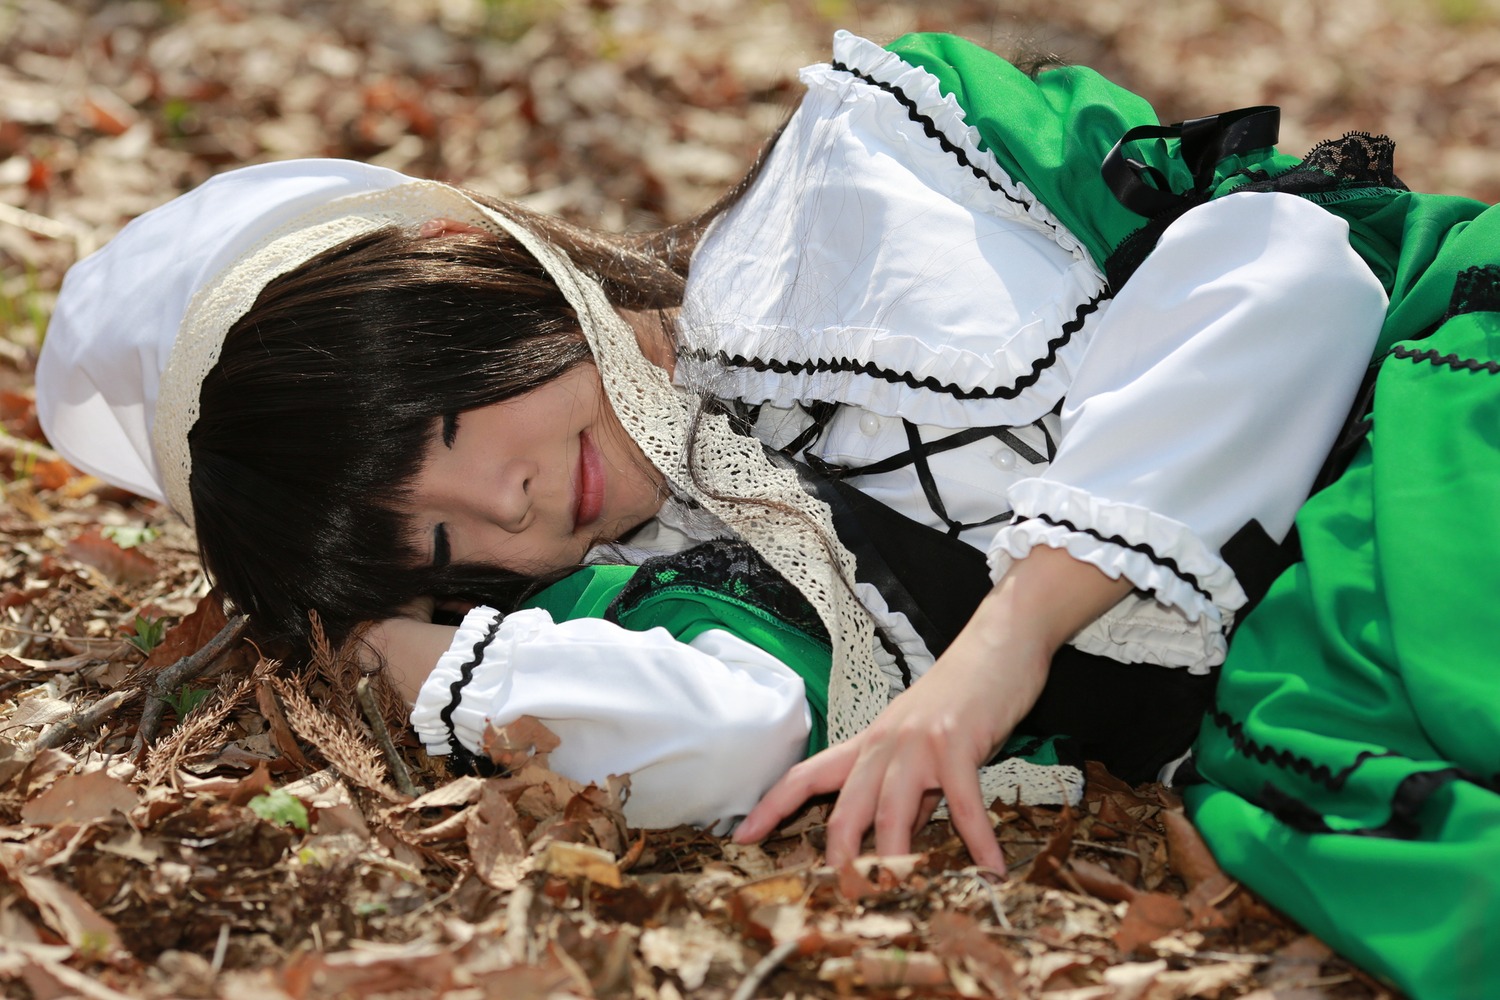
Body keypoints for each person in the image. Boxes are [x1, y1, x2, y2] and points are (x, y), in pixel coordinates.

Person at [39, 28, 1490, 995]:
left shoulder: (852, 202)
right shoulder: (676, 571)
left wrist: (1006, 649)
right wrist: (388, 649)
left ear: (460, 261)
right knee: (1321, 814)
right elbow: (730, 737)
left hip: (1423, 408)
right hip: (1311, 664)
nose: (515, 498)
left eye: (447, 421)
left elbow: (1284, 272)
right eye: (435, 541)